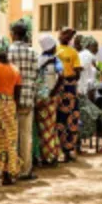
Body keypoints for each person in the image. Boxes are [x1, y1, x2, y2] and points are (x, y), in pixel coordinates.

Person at [9, 19, 38, 180]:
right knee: (25, 136)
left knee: (11, 136)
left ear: (13, 34)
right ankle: (25, 170)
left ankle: (11, 169)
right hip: (28, 99)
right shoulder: (33, 53)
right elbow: (35, 76)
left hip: (10, 99)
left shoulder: (8, 51)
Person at [0, 37, 22, 186]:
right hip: (10, 105)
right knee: (11, 139)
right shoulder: (15, 69)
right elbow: (18, 93)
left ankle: (1, 172)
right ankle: (10, 172)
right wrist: (14, 108)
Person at [35, 35, 63, 166]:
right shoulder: (55, 61)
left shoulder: (38, 59)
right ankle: (50, 156)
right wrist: (53, 92)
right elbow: (62, 76)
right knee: (49, 128)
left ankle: (46, 155)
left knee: (42, 128)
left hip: (39, 99)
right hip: (50, 99)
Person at [55, 27, 81, 161]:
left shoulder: (73, 52)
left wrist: (70, 82)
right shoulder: (54, 49)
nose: (63, 36)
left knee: (71, 118)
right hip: (57, 87)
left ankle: (68, 150)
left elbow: (78, 72)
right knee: (59, 118)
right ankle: (58, 149)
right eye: (62, 33)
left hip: (69, 87)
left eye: (66, 35)